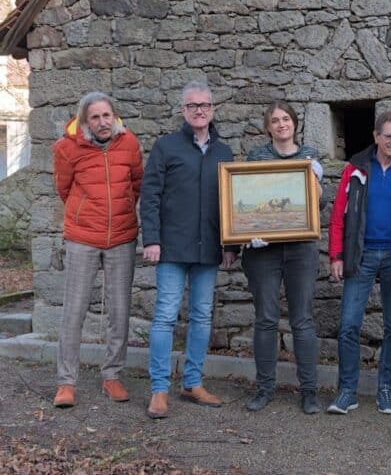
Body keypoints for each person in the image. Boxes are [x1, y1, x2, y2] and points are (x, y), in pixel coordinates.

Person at [140, 81, 237, 419]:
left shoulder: (224, 153)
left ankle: (192, 382)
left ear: (212, 110)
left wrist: (230, 246)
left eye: (205, 105)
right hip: (170, 248)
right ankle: (159, 389)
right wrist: (151, 239)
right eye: (193, 105)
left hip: (209, 249)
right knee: (165, 317)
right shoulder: (166, 147)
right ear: (183, 110)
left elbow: (231, 204)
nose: (199, 110)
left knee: (201, 318)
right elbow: (149, 196)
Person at [327, 110, 391, 415]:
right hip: (361, 255)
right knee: (348, 325)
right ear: (376, 137)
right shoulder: (355, 170)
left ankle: (385, 389)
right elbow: (337, 217)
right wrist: (336, 255)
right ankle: (347, 392)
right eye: (389, 136)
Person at [51, 92, 143, 408]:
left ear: (114, 116)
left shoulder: (129, 143)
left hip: (122, 236)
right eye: (95, 117)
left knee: (119, 311)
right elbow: (64, 189)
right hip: (82, 238)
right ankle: (66, 382)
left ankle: (112, 375)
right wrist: (85, 213)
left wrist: (123, 209)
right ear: (83, 120)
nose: (103, 122)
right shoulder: (67, 148)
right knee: (73, 311)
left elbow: (136, 183)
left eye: (107, 115)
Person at [241, 101, 323, 415]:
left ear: (294, 123)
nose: (281, 124)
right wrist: (248, 232)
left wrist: (314, 177)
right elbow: (245, 199)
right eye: (274, 120)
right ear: (268, 126)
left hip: (301, 247)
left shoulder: (309, 156)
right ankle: (264, 388)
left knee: (302, 319)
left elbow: (319, 203)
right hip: (264, 250)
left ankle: (310, 392)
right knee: (265, 319)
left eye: (285, 119)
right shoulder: (256, 157)